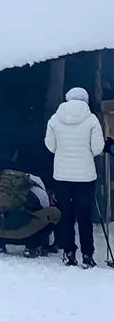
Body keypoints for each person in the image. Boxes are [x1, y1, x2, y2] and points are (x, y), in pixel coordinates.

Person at [44, 86, 105, 267]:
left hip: (62, 175)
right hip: (85, 177)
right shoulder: (92, 119)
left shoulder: (55, 119)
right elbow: (97, 148)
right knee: (84, 216)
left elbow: (50, 146)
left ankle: (69, 252)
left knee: (67, 215)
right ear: (85, 100)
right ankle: (87, 255)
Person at [0, 165, 60, 258]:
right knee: (53, 213)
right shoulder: (36, 190)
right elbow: (45, 209)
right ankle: (32, 247)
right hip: (24, 234)